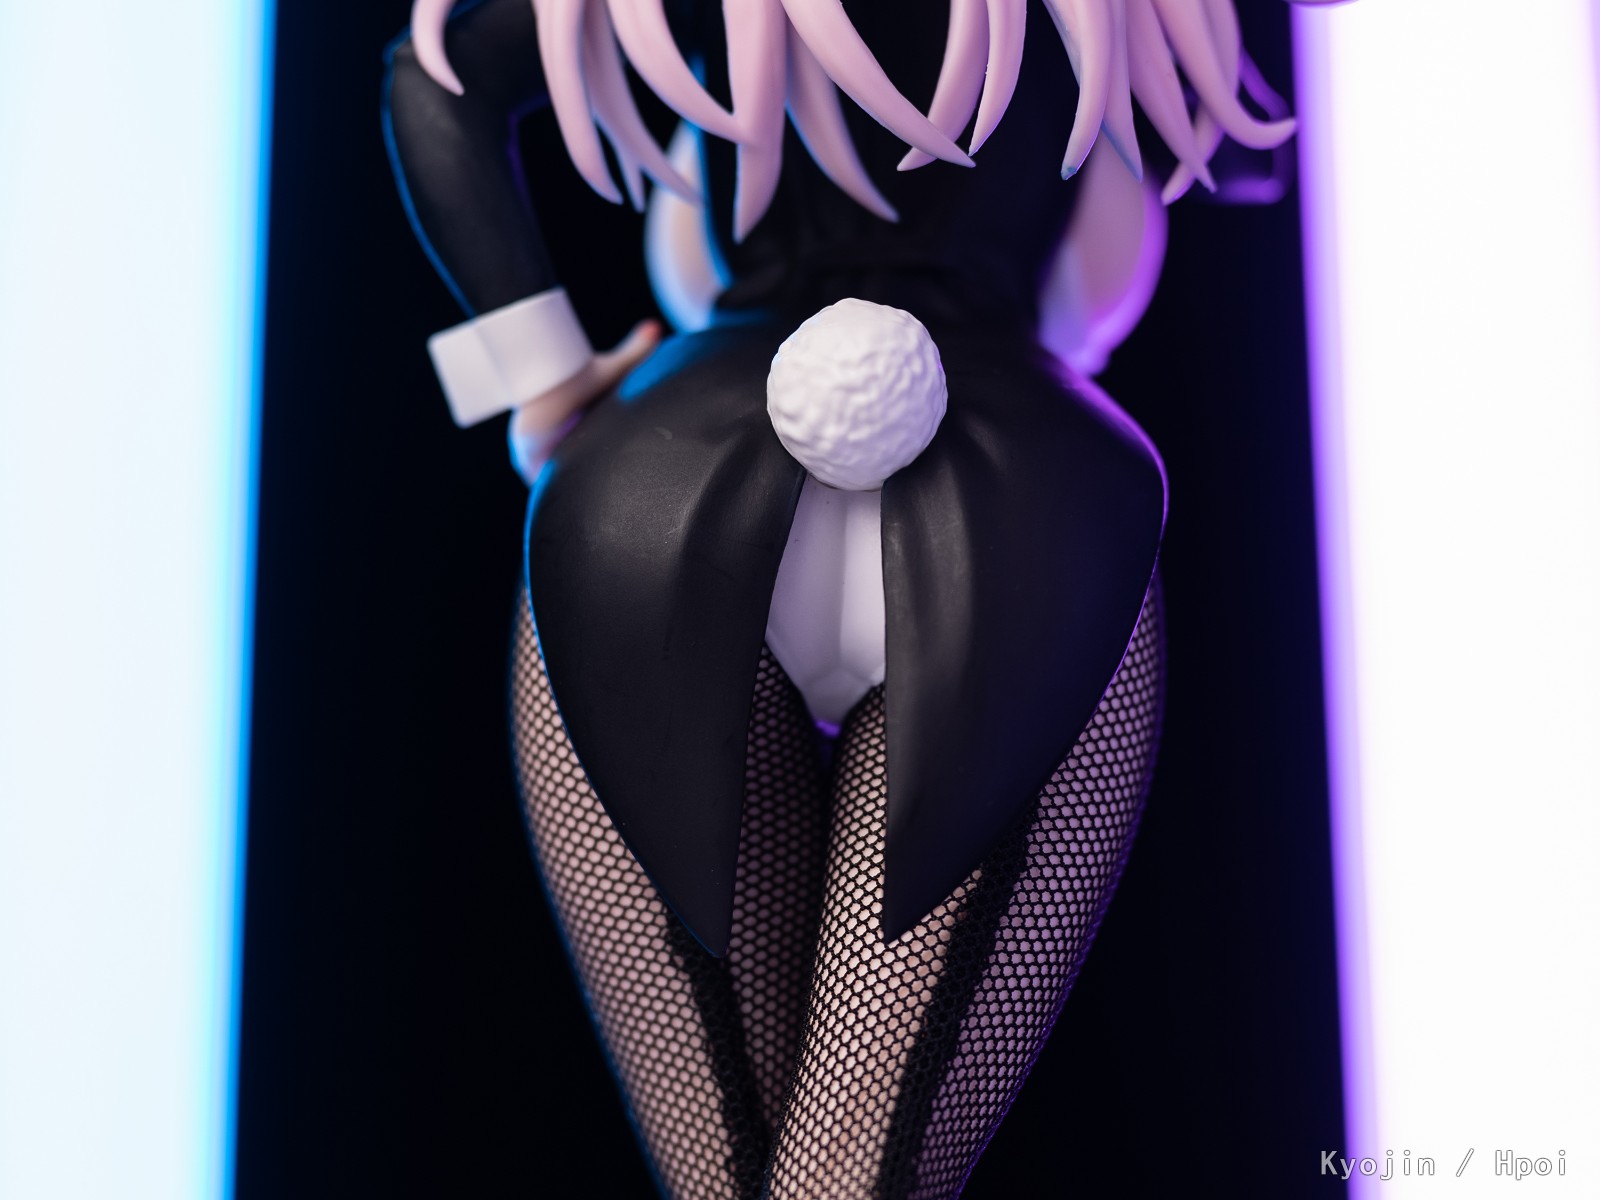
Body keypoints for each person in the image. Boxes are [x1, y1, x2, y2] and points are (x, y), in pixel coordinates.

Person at [383, 1, 1298, 1194]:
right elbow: (1245, 157)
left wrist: (545, 384)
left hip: (661, 483)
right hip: (1020, 492)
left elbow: (433, 80)